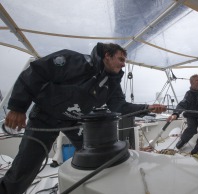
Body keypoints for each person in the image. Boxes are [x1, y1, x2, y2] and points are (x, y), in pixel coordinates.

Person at [0, 42, 166, 194]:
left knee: (99, 155)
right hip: (45, 116)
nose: (124, 64)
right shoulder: (72, 60)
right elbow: (36, 72)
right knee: (26, 167)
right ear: (107, 56)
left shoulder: (111, 82)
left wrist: (147, 108)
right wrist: (18, 108)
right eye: (120, 59)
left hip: (75, 121)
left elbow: (119, 106)